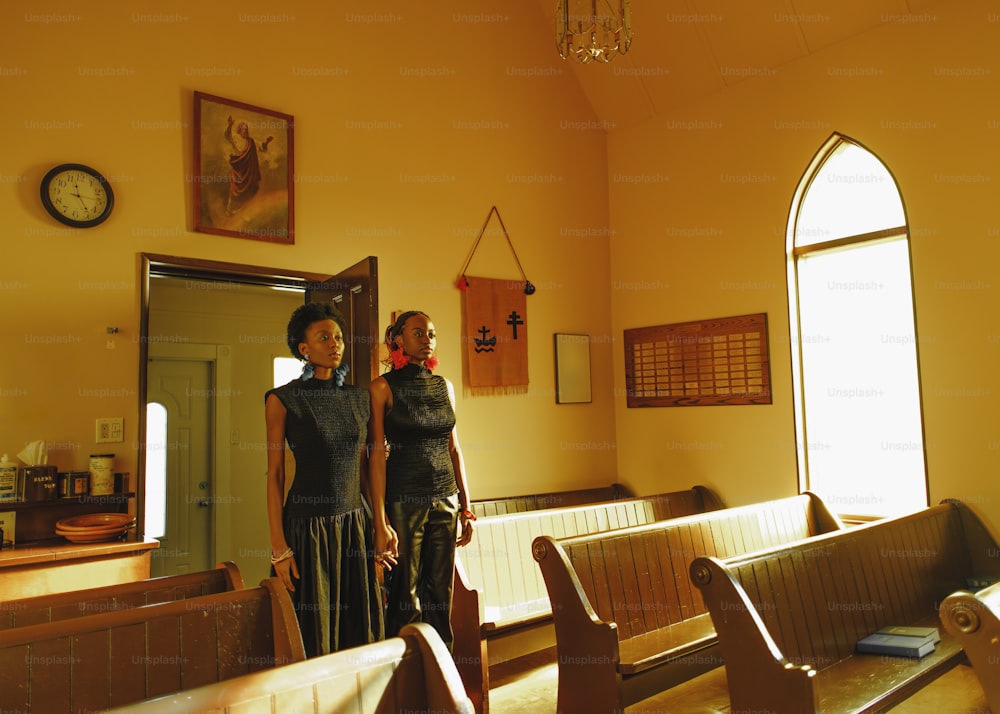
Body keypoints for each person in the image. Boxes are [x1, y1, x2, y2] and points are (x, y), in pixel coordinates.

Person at [265, 302, 385, 657]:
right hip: (307, 531)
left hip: (354, 525)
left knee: (359, 629)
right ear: (304, 349)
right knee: (314, 633)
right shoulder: (283, 400)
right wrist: (278, 549)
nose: (335, 344)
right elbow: (274, 475)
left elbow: (367, 470)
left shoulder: (360, 398)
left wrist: (380, 524)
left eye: (338, 337)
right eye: (323, 337)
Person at [368, 310, 474, 650]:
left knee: (440, 592)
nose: (427, 339)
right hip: (403, 500)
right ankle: (405, 679)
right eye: (418, 333)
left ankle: (441, 678)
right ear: (398, 339)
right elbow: (375, 457)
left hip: (447, 499)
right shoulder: (381, 388)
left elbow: (455, 450)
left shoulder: (445, 386)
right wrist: (380, 520)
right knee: (403, 592)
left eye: (431, 333)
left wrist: (467, 509)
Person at [224, 115, 272, 215]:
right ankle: (229, 210)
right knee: (234, 191)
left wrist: (267, 142)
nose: (245, 131)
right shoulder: (235, 138)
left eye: (246, 129)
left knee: (249, 189)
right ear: (239, 130)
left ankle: (244, 210)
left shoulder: (251, 141)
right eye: (243, 129)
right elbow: (227, 136)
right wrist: (229, 125)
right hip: (238, 169)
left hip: (248, 170)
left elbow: (261, 147)